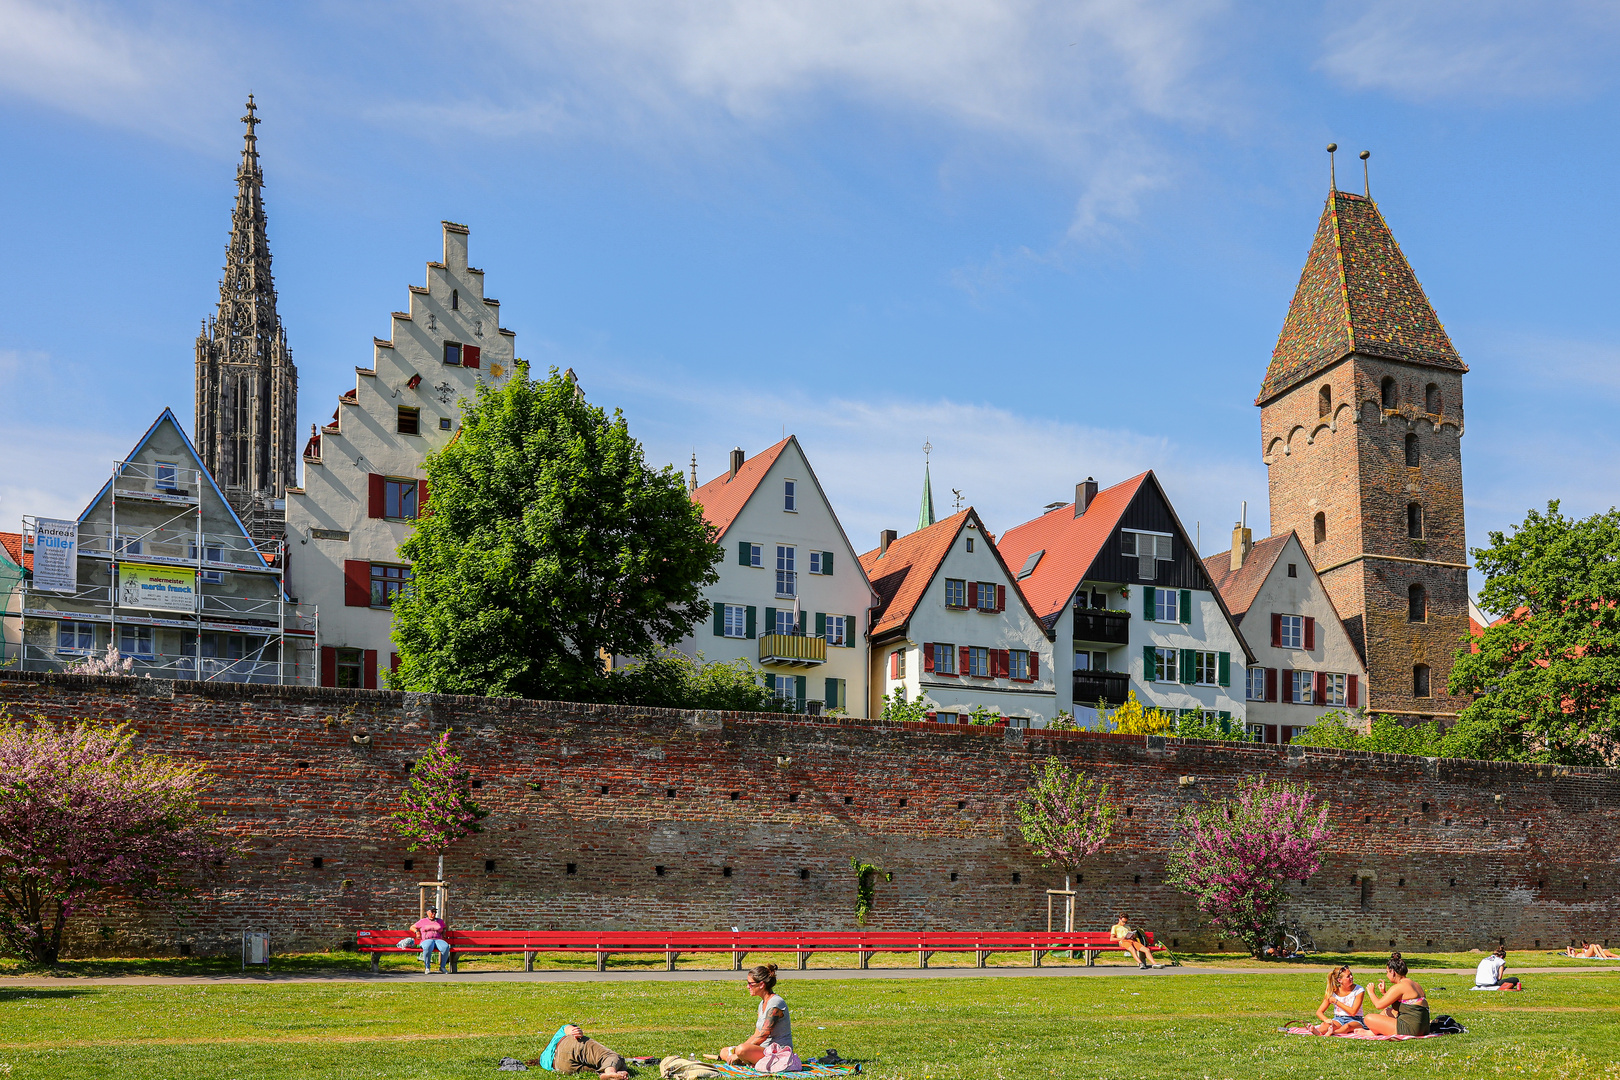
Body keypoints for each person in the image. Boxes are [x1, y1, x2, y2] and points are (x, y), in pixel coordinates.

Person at [707, 963, 794, 1067]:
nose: (747, 986)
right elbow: (756, 1034)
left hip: (778, 1053)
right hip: (762, 1049)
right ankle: (748, 1060)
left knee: (741, 1050)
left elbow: (763, 1035)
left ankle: (746, 1060)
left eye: (750, 984)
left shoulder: (776, 1004)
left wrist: (740, 1052)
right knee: (725, 1051)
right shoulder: (761, 1004)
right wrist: (738, 1049)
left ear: (761, 985)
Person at [1364, 952, 1429, 1036]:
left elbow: (1378, 1005)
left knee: (1368, 1018)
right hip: (1423, 1028)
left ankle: (1373, 1032)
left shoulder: (1399, 986)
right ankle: (1376, 1030)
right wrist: (1384, 993)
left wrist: (1371, 992)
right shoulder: (1415, 984)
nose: (1387, 975)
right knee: (1386, 1012)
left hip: (1411, 1029)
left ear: (1393, 972)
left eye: (1387, 972)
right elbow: (1405, 1006)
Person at [533, 1024, 629, 1079]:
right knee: (610, 1056)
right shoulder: (557, 1038)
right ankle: (610, 1072)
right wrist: (574, 1031)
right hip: (567, 1045)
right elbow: (566, 1028)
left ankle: (609, 1074)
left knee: (597, 1067)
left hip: (561, 1067)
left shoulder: (542, 1060)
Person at [1312, 965, 1367, 1035]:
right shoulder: (1333, 992)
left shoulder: (1359, 990)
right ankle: (1318, 1032)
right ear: (1339, 980)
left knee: (1347, 1026)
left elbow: (1353, 1012)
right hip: (1339, 1019)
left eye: (1351, 975)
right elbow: (1319, 1012)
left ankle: (1332, 1033)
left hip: (1355, 1019)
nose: (1351, 977)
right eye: (1348, 976)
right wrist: (1326, 1020)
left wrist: (1336, 1002)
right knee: (1325, 1025)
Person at [412, 906, 450, 974]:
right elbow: (412, 927)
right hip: (426, 940)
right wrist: (417, 932)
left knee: (445, 947)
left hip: (438, 939)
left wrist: (444, 931)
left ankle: (442, 967)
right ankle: (427, 967)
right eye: (432, 912)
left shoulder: (440, 921)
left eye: (435, 912)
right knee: (427, 947)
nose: (434, 913)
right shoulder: (423, 921)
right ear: (427, 912)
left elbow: (444, 927)